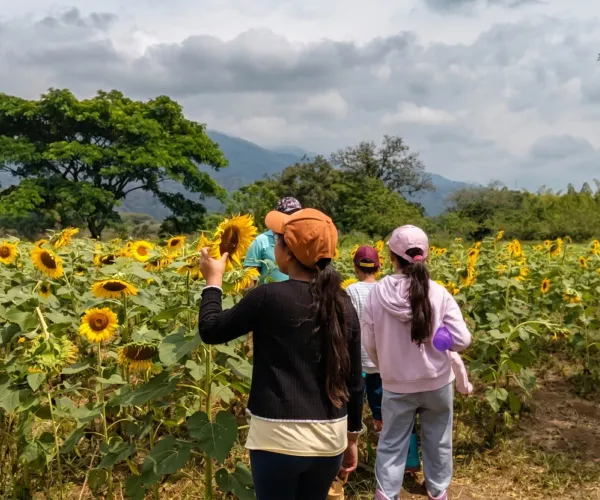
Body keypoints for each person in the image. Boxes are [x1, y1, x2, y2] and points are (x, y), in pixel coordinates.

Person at [198, 208, 363, 500]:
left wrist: (213, 282)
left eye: (277, 240)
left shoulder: (267, 297)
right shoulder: (342, 302)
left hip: (277, 437)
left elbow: (211, 330)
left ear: (288, 253)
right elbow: (353, 381)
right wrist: (352, 439)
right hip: (329, 438)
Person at [361, 225, 472, 500]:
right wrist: (440, 339)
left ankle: (386, 495)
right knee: (439, 442)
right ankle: (437, 492)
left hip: (396, 385)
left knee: (391, 444)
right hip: (437, 383)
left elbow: (369, 342)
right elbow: (462, 340)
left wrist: (387, 368)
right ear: (426, 254)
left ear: (391, 257)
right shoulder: (438, 292)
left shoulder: (378, 293)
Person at [344, 246, 383, 432]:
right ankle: (380, 428)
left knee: (355, 398)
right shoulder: (384, 289)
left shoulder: (352, 290)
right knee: (380, 397)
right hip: (381, 356)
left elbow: (348, 322)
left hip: (358, 356)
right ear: (378, 267)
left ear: (355, 267)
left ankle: (353, 432)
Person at [243, 197, 302, 284]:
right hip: (268, 296)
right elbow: (250, 280)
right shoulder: (261, 241)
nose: (292, 219)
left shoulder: (303, 240)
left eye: (296, 215)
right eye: (288, 214)